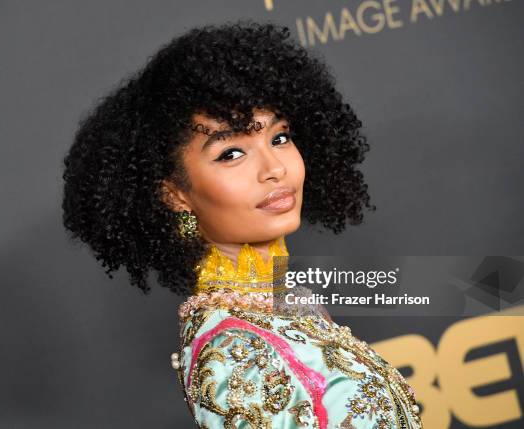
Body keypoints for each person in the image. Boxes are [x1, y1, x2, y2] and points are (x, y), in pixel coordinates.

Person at [61, 19, 423, 428]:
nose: (274, 169)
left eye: (279, 137)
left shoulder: (284, 301)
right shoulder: (232, 352)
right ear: (174, 194)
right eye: (231, 153)